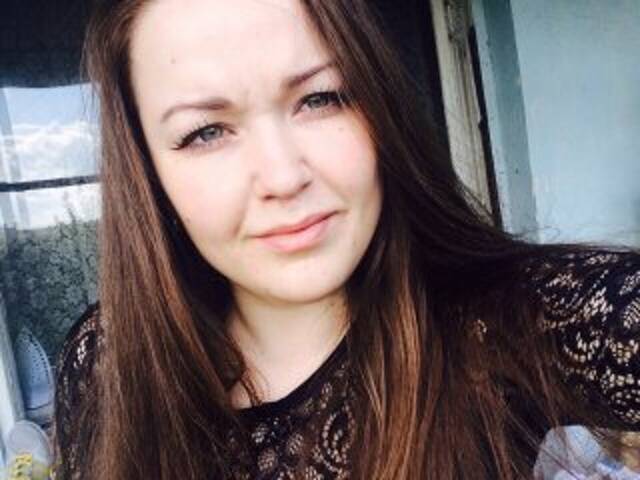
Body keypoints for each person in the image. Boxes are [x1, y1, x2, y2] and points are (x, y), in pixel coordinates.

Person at [51, 0, 640, 479]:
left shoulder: (499, 324)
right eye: (206, 132)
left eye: (321, 98)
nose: (284, 177)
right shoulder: (107, 361)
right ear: (149, 174)